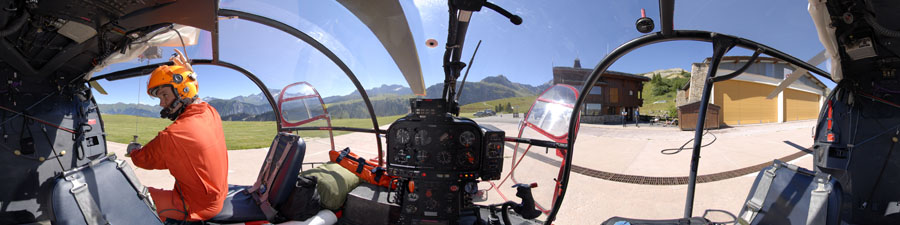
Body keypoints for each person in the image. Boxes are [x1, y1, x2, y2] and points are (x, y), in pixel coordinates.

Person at [126, 51, 229, 223]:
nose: (161, 103)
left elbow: (143, 160)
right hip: (215, 195)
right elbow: (195, 97)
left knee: (130, 197)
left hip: (197, 205)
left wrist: (134, 150)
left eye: (164, 95)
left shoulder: (174, 135)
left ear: (182, 91)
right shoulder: (210, 112)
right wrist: (189, 75)